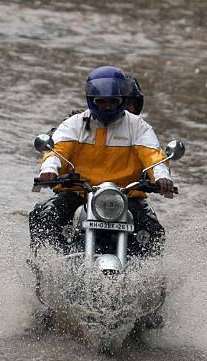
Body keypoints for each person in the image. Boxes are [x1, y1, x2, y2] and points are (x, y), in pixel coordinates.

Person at [29, 66, 173, 257]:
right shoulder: (74, 124)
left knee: (153, 231)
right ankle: (45, 269)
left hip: (127, 198)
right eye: (101, 102)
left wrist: (162, 177)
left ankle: (151, 282)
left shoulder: (138, 126)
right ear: (91, 100)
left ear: (122, 100)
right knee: (45, 217)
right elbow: (57, 151)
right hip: (78, 193)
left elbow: (154, 155)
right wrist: (49, 170)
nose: (107, 107)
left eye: (113, 102)